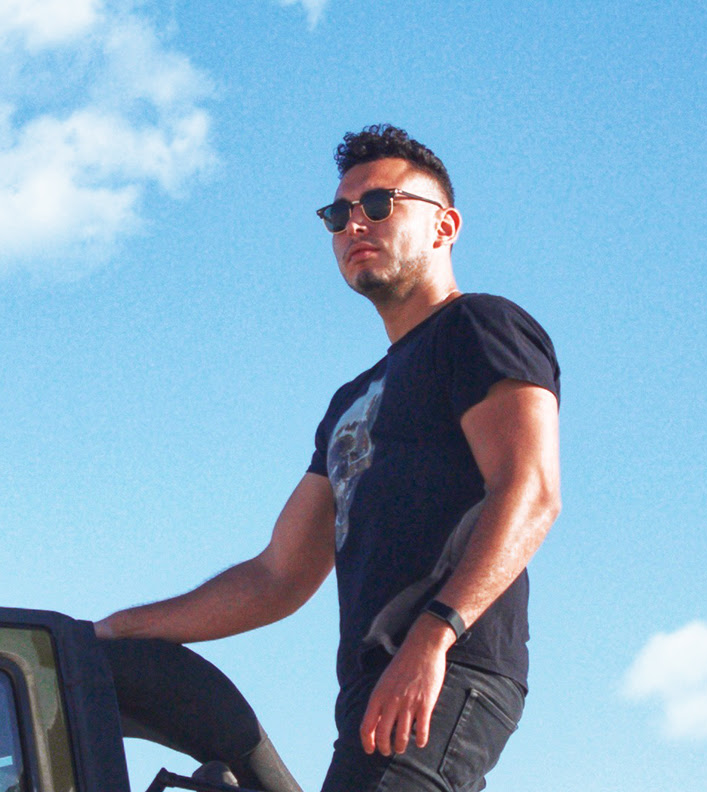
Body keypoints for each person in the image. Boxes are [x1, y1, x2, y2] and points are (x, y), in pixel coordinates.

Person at [96, 124, 561, 792]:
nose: (354, 225)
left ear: (445, 225)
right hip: (372, 691)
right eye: (338, 215)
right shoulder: (351, 400)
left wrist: (434, 635)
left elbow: (531, 490)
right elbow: (277, 575)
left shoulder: (480, 327)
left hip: (448, 670)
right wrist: (117, 631)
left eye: (378, 204)